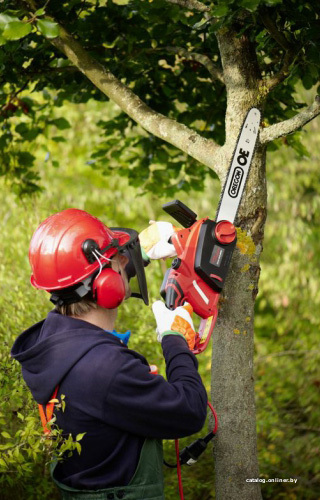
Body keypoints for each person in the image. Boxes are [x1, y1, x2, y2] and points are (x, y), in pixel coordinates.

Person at [11, 208, 208, 500]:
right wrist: (175, 339)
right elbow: (190, 412)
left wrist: (144, 249)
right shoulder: (105, 369)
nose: (126, 262)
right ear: (105, 284)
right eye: (121, 260)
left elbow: (87, 278)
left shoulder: (52, 342)